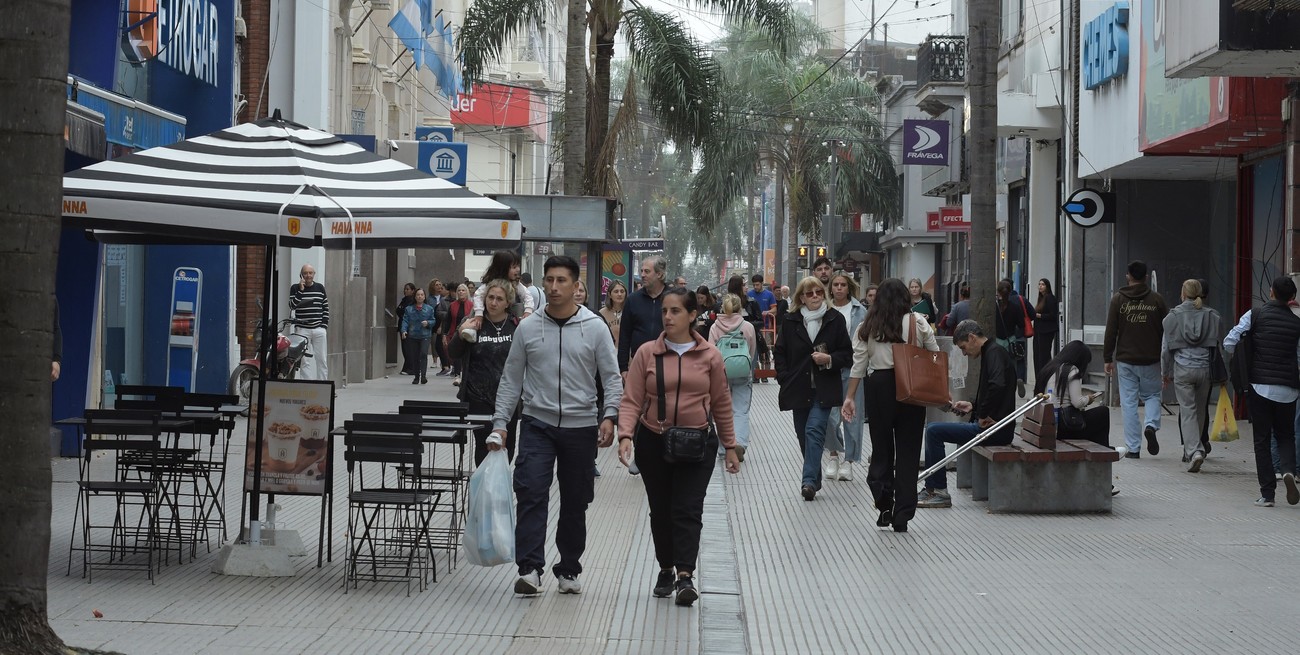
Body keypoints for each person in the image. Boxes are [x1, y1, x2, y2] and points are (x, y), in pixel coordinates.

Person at [488, 255, 623, 596]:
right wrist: (501, 423)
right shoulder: (529, 328)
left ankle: (568, 569)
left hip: (581, 428)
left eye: (562, 280)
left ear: (577, 286)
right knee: (531, 492)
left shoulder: (594, 327)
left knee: (576, 500)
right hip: (537, 423)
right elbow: (511, 379)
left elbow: (611, 377)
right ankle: (530, 568)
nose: (553, 287)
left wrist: (609, 416)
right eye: (549, 280)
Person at [619, 287, 740, 606]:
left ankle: (686, 575)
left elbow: (722, 402)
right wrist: (625, 435)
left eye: (675, 311)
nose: (668, 317)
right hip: (654, 440)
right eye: (665, 312)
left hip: (697, 441)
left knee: (687, 508)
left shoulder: (710, 356)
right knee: (661, 510)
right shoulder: (647, 353)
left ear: (691, 316)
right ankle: (666, 568)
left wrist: (730, 445)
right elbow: (631, 399)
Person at [841, 278, 938, 532]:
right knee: (908, 450)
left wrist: (850, 397)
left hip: (879, 386)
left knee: (882, 448)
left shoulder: (868, 326)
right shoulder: (918, 322)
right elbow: (934, 354)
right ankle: (903, 514)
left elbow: (858, 365)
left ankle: (884, 501)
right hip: (911, 387)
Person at [916, 320, 1017, 509]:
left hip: (995, 429)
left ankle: (938, 490)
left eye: (963, 347)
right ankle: (932, 488)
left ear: (971, 338)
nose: (964, 353)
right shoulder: (992, 352)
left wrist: (983, 414)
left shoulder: (993, 353)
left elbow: (997, 385)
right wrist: (974, 405)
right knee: (932, 429)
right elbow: (996, 389)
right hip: (994, 425)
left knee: (933, 431)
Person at [773, 276, 853, 501]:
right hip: (798, 388)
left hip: (824, 389)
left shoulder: (834, 319)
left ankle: (807, 481)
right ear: (801, 297)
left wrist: (828, 359)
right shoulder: (791, 321)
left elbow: (847, 354)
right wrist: (783, 376)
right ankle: (814, 479)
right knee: (803, 436)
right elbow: (780, 352)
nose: (816, 296)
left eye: (819, 292)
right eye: (810, 293)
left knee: (814, 431)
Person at [1223, 275, 1300, 508]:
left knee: (1262, 440)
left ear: (1270, 292)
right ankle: (1288, 470)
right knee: (1286, 435)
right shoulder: (1297, 323)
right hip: (1289, 388)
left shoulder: (1254, 315)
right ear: (1293, 298)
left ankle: (1268, 494)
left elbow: (1229, 341)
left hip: (1259, 386)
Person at [1103, 260, 1169, 459]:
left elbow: (1111, 330)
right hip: (1151, 358)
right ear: (1146, 277)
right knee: (1152, 396)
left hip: (1125, 359)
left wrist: (1108, 357)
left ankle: (1133, 448)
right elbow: (1167, 329)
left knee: (1129, 402)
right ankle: (1151, 424)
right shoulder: (1157, 300)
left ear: (1128, 276)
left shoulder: (1118, 300)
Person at [450, 279, 519, 464]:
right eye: (490, 297)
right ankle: (483, 491)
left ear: (508, 303)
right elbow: (453, 353)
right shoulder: (473, 322)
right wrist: (461, 332)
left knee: (506, 447)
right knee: (484, 447)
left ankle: (498, 490)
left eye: (499, 299)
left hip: (508, 399)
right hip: (477, 397)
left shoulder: (516, 325)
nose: (493, 303)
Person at [1162, 279, 1224, 473]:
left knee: (1187, 411)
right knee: (1200, 411)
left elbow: (1165, 350)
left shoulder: (1172, 317)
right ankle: (1198, 447)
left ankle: (1194, 451)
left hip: (1183, 369)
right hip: (1205, 369)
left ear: (1183, 293)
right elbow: (1220, 345)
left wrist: (1165, 373)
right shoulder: (1213, 316)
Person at [824, 273, 867, 481]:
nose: (839, 288)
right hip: (830, 368)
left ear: (849, 288)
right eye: (836, 285)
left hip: (854, 369)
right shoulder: (824, 310)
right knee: (830, 417)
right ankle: (833, 454)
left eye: (843, 285)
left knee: (852, 416)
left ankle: (849, 461)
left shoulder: (860, 311)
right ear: (830, 288)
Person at [708, 293, 756, 461]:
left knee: (722, 411)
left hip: (721, 374)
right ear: (739, 308)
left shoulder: (715, 327)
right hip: (743, 373)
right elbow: (751, 351)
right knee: (741, 410)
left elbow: (710, 352)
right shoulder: (747, 326)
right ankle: (740, 443)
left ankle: (724, 448)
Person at [459, 250, 535, 343]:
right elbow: (478, 295)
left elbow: (527, 296)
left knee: (518, 307)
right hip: (485, 312)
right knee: (474, 316)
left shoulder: (516, 283)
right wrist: (479, 314)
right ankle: (472, 331)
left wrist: (528, 311)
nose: (518, 269)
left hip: (508, 314)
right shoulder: (490, 283)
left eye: (518, 266)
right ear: (503, 268)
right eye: (514, 267)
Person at [619, 255, 668, 373]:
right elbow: (625, 334)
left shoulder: (673, 298)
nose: (642, 275)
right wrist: (623, 368)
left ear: (659, 274)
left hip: (668, 360)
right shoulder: (633, 300)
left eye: (647, 271)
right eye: (641, 271)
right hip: (639, 362)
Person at [288, 264, 329, 381]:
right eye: (305, 273)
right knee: (304, 360)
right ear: (301, 275)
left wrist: (324, 326)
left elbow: (325, 307)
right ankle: (307, 384)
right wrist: (300, 291)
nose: (308, 275)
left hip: (318, 328)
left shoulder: (320, 288)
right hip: (302, 329)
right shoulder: (295, 288)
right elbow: (292, 306)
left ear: (314, 274)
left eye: (310, 273)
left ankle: (323, 385)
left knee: (321, 359)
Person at [994, 279, 1028, 397]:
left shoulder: (995, 307)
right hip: (1010, 341)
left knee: (998, 367)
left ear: (998, 292)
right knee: (1012, 367)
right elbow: (1021, 325)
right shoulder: (1015, 307)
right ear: (1010, 292)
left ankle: (1000, 388)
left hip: (997, 341)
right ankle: (1014, 384)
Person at [400, 288, 437, 384]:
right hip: (413, 335)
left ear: (424, 297)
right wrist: (404, 330)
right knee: (415, 356)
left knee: (423, 354)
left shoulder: (429, 309)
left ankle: (423, 376)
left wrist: (428, 323)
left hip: (425, 335)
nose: (420, 296)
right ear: (415, 297)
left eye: (422, 295)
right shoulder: (409, 309)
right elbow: (405, 320)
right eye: (418, 295)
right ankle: (417, 376)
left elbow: (433, 321)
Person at [1033, 279, 1060, 375]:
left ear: (1047, 286)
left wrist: (1040, 316)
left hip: (1046, 331)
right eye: (1039, 284)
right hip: (1038, 330)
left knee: (1044, 355)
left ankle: (1046, 375)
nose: (1040, 286)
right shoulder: (1041, 299)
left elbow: (1053, 315)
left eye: (1043, 284)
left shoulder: (1050, 298)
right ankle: (1039, 377)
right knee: (1037, 355)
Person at [448, 284, 473, 382]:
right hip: (456, 332)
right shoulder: (453, 305)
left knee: (466, 355)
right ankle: (457, 375)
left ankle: (465, 375)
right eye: (459, 290)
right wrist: (445, 335)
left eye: (463, 290)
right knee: (457, 354)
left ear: (467, 292)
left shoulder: (472, 305)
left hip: (468, 333)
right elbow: (448, 320)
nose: (461, 292)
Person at [431, 279, 454, 376]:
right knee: (438, 346)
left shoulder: (448, 301)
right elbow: (439, 312)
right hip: (441, 325)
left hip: (447, 327)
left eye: (442, 288)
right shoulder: (442, 300)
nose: (440, 289)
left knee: (442, 346)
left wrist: (449, 315)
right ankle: (445, 366)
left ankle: (447, 366)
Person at [397, 283, 418, 375]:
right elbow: (399, 310)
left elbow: (405, 312)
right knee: (405, 348)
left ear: (413, 291)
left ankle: (411, 367)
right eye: (405, 289)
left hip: (409, 327)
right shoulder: (404, 300)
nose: (406, 291)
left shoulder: (411, 301)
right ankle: (407, 367)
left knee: (408, 348)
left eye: (408, 289)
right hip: (402, 325)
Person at [600, 280, 627, 348]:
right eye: (616, 291)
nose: (619, 294)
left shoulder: (630, 312)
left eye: (622, 291)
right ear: (609, 295)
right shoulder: (602, 313)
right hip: (607, 352)